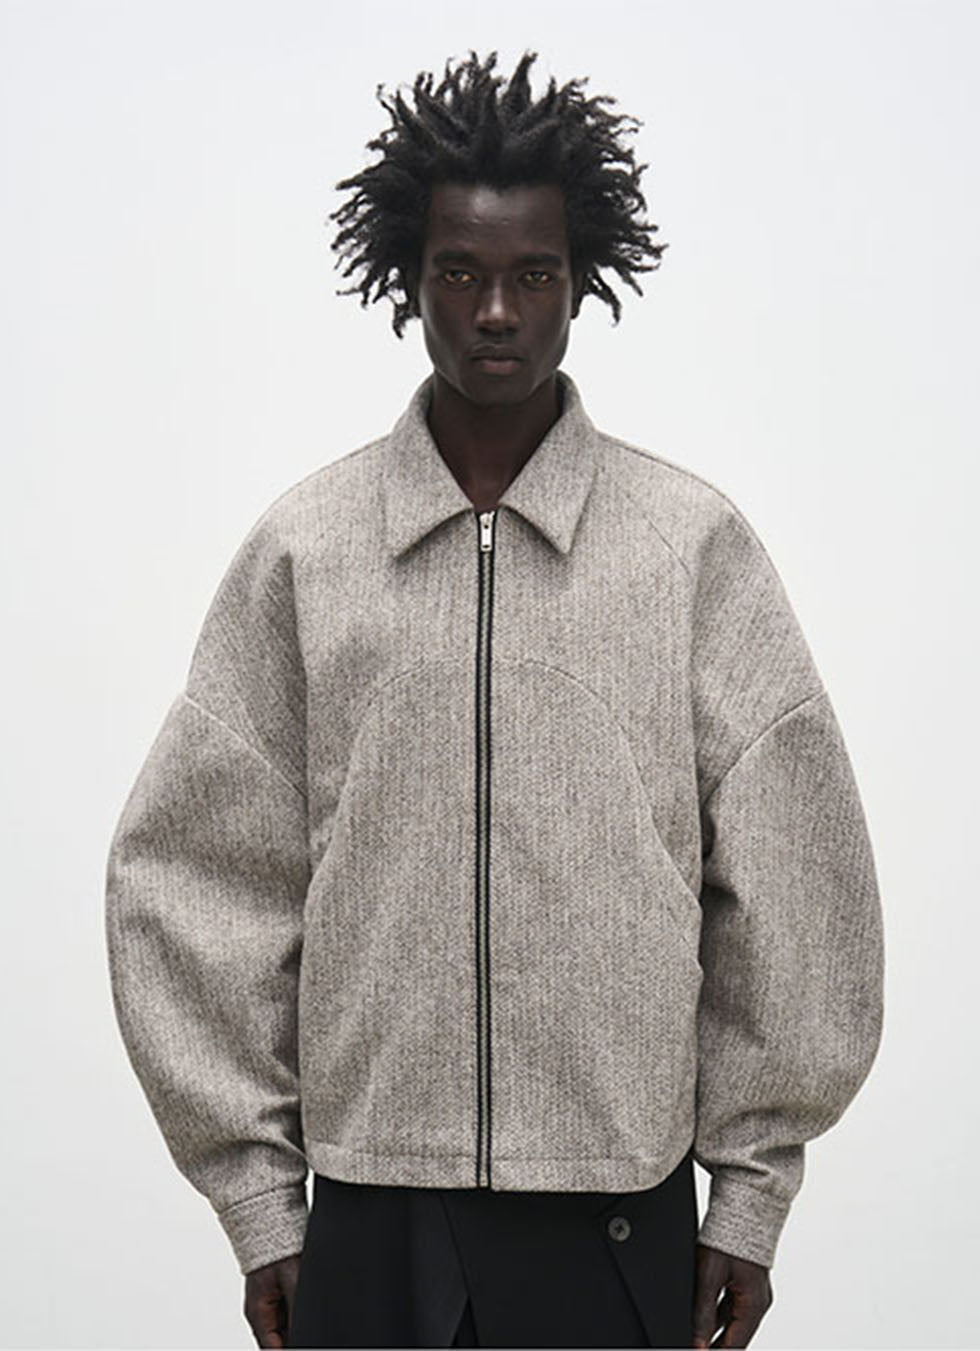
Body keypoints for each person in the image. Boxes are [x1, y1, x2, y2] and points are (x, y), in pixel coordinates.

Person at [104, 48, 885, 1350]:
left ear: (582, 283)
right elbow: (190, 877)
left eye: (535, 275)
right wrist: (258, 1200)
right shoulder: (308, 551)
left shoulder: (688, 550)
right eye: (460, 273)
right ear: (409, 280)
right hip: (372, 1208)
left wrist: (750, 1196)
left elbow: (795, 878)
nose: (498, 312)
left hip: (616, 1206)